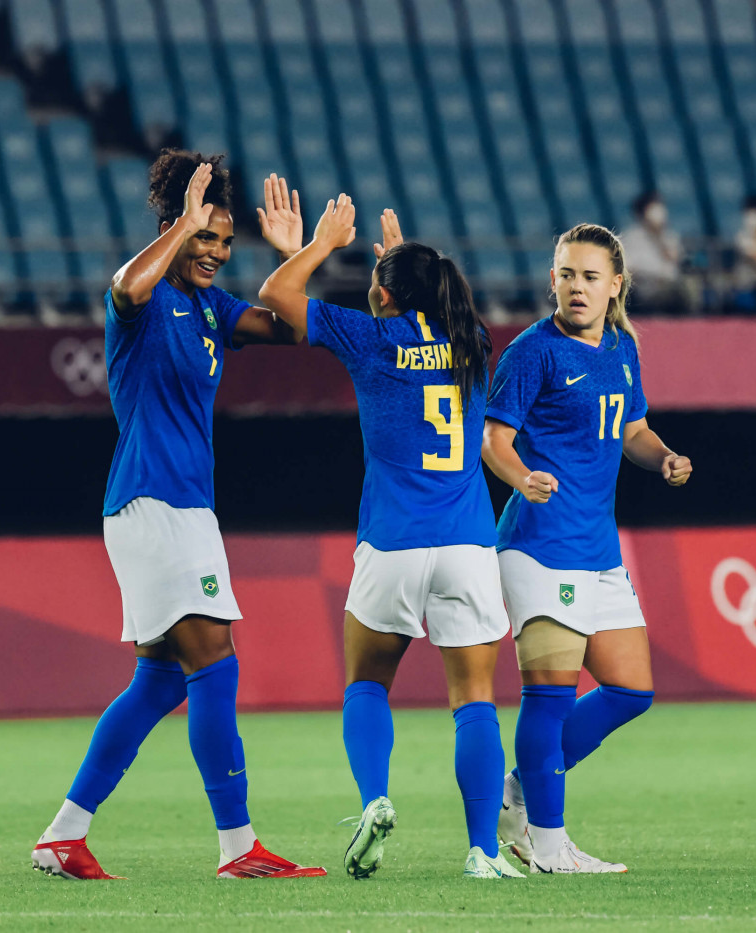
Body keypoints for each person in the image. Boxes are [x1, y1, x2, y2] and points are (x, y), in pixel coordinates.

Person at [30, 150, 324, 881]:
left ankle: (64, 835)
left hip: (184, 508)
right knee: (214, 665)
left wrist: (300, 256)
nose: (218, 253)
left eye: (226, 242)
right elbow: (124, 285)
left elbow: (287, 327)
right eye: (206, 238)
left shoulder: (209, 307)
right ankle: (237, 845)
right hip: (153, 500)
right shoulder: (147, 298)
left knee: (161, 681)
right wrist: (181, 227)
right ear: (176, 228)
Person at [258, 199, 522, 880]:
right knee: (473, 700)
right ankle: (483, 853)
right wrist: (397, 269)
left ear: (380, 294)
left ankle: (376, 797)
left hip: (394, 542)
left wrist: (316, 246)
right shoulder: (474, 341)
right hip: (466, 544)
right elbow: (424, 313)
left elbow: (276, 296)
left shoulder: (370, 340)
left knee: (367, 684)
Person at [484, 224, 692, 873]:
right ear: (553, 280)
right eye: (567, 274)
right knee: (547, 695)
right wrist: (522, 477)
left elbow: (631, 428)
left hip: (597, 548)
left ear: (615, 286)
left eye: (590, 276)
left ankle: (517, 789)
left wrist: (662, 458)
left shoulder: (623, 347)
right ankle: (549, 844)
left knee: (632, 689)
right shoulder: (531, 351)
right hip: (540, 544)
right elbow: (494, 439)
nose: (577, 286)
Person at [618, 191, 689, 314]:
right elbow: (629, 268)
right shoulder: (632, 237)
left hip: (672, 285)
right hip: (647, 288)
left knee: (687, 287)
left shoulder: (668, 236)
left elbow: (675, 259)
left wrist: (659, 237)